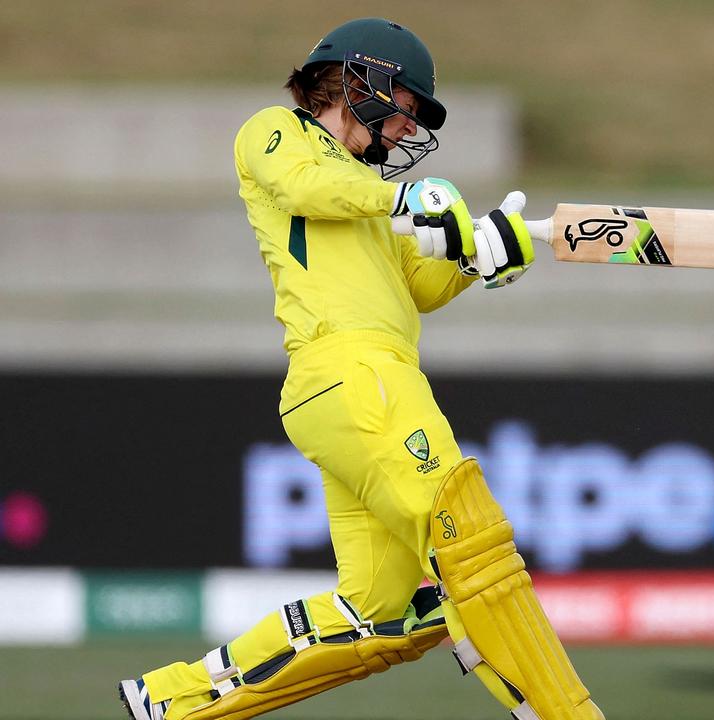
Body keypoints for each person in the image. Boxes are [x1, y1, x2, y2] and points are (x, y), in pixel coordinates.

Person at [117, 18, 602, 720]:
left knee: (390, 615)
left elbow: (416, 286)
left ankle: (174, 703)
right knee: (469, 534)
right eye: (409, 106)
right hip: (353, 372)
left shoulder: (365, 195)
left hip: (351, 387)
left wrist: (482, 254)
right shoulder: (277, 133)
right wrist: (406, 200)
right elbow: (306, 187)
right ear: (361, 79)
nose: (410, 130)